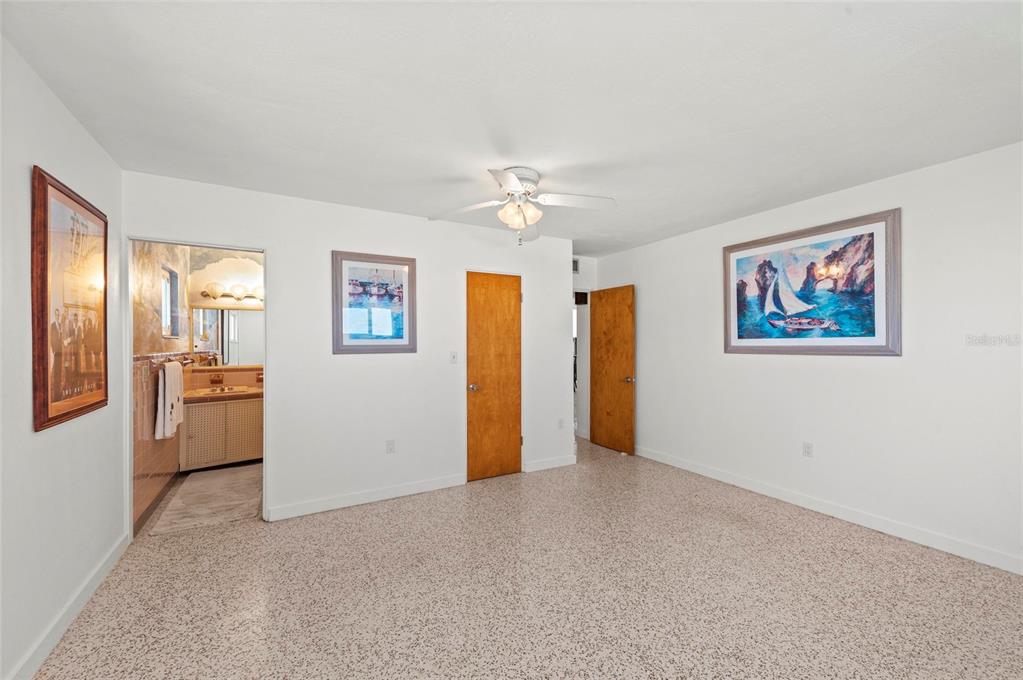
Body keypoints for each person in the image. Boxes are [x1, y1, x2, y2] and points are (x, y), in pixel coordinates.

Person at [49, 307, 64, 402]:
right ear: (55, 315)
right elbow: (51, 339)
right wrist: (53, 350)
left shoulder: (60, 324)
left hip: (60, 351)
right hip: (55, 352)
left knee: (59, 372)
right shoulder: (52, 325)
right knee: (55, 373)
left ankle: (59, 393)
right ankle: (55, 395)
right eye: (56, 314)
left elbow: (61, 338)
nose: (58, 316)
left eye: (59, 314)